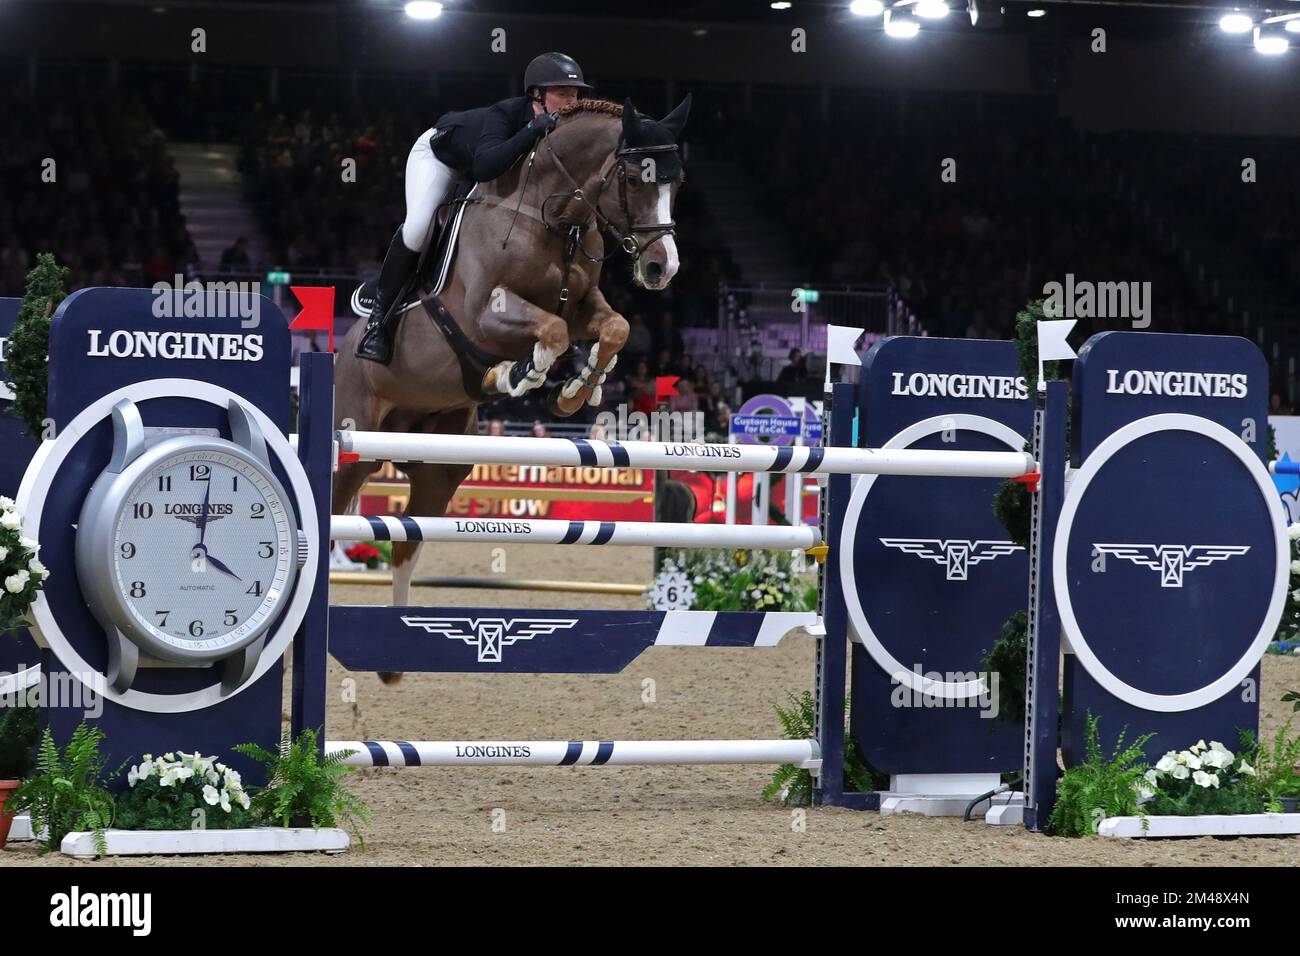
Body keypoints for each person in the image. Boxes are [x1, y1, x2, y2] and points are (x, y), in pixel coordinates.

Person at [357, 52, 593, 365]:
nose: (570, 101)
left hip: (481, 168)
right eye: (561, 93)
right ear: (536, 94)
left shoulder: (563, 126)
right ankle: (378, 321)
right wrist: (531, 131)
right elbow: (484, 167)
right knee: (418, 227)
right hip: (441, 158)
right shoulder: (506, 113)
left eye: (574, 94)